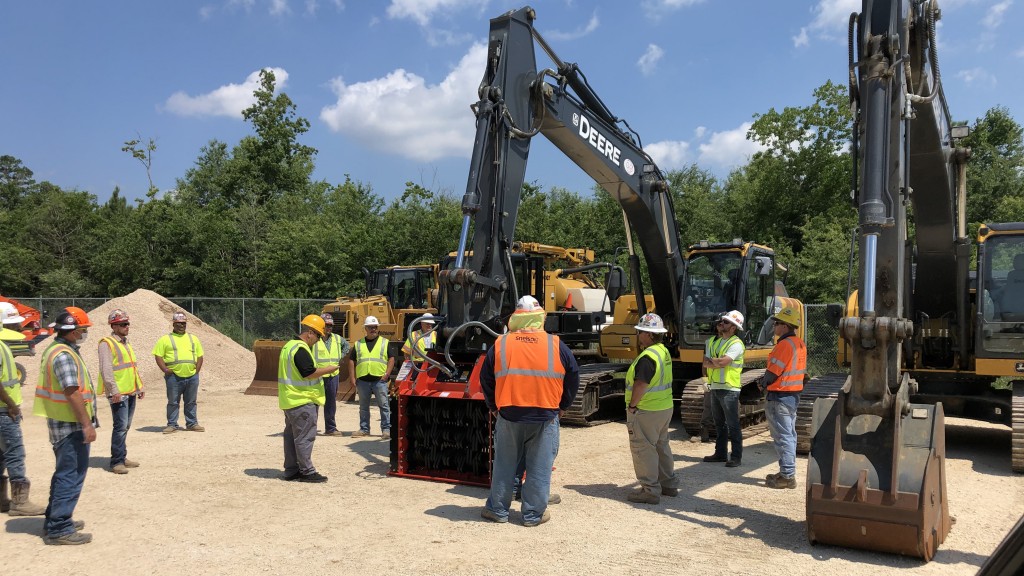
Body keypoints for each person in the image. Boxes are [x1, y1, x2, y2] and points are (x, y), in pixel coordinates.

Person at [479, 296, 580, 527]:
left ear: (515, 318)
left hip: (509, 414)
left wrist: (493, 407)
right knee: (539, 466)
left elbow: (486, 379)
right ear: (540, 318)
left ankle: (498, 511)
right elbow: (573, 375)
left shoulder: (501, 344)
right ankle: (533, 515)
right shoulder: (555, 344)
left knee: (505, 464)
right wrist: (563, 406)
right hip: (545, 415)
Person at [33, 307, 99, 545]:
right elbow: (71, 391)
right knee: (71, 474)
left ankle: (55, 520)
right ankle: (60, 527)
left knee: (64, 473)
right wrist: (86, 424)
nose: (84, 334)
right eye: (82, 330)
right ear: (72, 332)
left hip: (63, 424)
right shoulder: (63, 355)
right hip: (70, 426)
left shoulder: (55, 350)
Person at [279, 315, 341, 483]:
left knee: (291, 437)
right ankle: (307, 471)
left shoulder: (289, 346)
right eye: (318, 336)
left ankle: (291, 470)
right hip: (302, 400)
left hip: (290, 399)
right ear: (310, 333)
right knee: (305, 437)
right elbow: (308, 373)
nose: (318, 340)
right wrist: (328, 369)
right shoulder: (300, 348)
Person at [625, 313, 678, 504]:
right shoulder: (662, 351)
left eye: (640, 332)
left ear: (648, 334)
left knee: (643, 449)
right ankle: (669, 484)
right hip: (664, 407)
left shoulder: (647, 357)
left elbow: (640, 385)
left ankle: (650, 490)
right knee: (661, 445)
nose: (638, 335)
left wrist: (632, 406)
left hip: (646, 410)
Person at [0, 302, 46, 516]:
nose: (18, 328)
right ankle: (20, 502)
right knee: (15, 453)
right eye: (13, 324)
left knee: (1, 455)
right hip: (4, 411)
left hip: (4, 409)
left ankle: (2, 500)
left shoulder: (3, 345)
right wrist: (11, 405)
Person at [754, 306, 806, 489]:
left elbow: (773, 372)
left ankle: (787, 475)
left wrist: (762, 384)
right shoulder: (799, 343)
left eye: (776, 323)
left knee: (783, 436)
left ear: (785, 326)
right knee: (789, 435)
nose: (774, 327)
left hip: (779, 396)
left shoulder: (784, 345)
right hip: (791, 395)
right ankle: (787, 471)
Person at [98, 309, 144, 474]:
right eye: (123, 324)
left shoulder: (125, 342)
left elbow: (131, 367)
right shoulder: (106, 343)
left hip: (130, 391)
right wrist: (114, 390)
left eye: (127, 323)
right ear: (114, 326)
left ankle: (122, 456)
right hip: (118, 393)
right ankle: (116, 462)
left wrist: (139, 387)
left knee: (125, 426)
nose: (127, 327)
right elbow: (106, 369)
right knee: (120, 427)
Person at [702, 309, 745, 467]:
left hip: (729, 389)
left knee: (733, 424)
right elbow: (705, 363)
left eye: (725, 322)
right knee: (719, 423)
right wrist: (713, 363)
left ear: (733, 327)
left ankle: (736, 457)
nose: (721, 323)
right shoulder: (715, 342)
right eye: (721, 321)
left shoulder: (736, 344)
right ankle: (720, 453)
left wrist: (712, 362)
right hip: (715, 387)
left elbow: (722, 363)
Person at [152, 311, 204, 434]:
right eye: (179, 323)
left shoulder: (193, 338)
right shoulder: (165, 339)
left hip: (192, 376)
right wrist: (165, 369)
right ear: (173, 324)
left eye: (183, 323)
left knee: (191, 401)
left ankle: (192, 423)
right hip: (173, 377)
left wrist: (196, 371)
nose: (181, 326)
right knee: (173, 402)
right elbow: (158, 356)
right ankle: (172, 424)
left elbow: (200, 356)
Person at [347, 316, 395, 438]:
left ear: (377, 328)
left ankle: (386, 430)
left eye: (375, 327)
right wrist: (352, 377)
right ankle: (364, 429)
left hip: (379, 380)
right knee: (363, 407)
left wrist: (387, 374)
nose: (373, 329)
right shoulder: (358, 344)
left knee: (384, 406)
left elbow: (391, 358)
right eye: (370, 327)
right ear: (365, 329)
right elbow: (351, 360)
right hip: (363, 380)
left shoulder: (385, 342)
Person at [313, 313, 350, 436]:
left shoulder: (337, 339)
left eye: (330, 326)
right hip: (317, 375)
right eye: (326, 325)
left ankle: (330, 428)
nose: (329, 328)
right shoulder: (314, 338)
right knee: (315, 402)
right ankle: (311, 428)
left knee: (330, 403)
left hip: (333, 375)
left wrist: (340, 356)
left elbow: (347, 346)